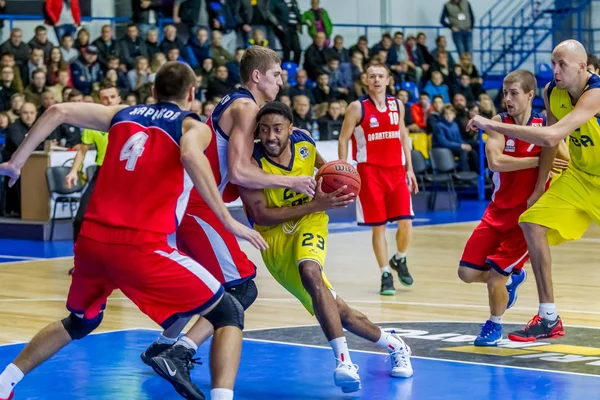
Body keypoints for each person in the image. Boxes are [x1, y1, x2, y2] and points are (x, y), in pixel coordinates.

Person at [0, 62, 268, 400]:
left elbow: (57, 110)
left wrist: (17, 162)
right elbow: (189, 155)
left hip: (91, 243)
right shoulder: (193, 125)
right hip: (141, 246)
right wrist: (227, 218)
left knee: (79, 322)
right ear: (191, 94)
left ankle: (4, 382)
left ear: (153, 91)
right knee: (229, 309)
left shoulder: (121, 115)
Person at [140, 46, 316, 362]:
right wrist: (293, 181)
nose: (280, 82)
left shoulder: (235, 102)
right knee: (242, 289)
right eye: (276, 75)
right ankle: (180, 352)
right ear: (257, 76)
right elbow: (238, 170)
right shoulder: (247, 108)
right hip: (199, 206)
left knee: (204, 287)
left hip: (191, 205)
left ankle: (163, 345)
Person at [239, 102, 413, 394]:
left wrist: (340, 187)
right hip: (274, 239)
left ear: (290, 130)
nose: (271, 136)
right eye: (265, 129)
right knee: (339, 310)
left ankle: (343, 361)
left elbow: (327, 170)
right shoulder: (251, 162)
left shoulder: (304, 142)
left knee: (310, 270)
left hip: (311, 220)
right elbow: (260, 215)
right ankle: (395, 343)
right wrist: (316, 202)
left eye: (278, 129)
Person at [467, 40, 600, 342]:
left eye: (562, 64)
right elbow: (550, 145)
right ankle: (549, 317)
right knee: (531, 221)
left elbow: (552, 133)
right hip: (581, 178)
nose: (554, 70)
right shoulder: (553, 92)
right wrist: (539, 188)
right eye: (553, 63)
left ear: (582, 67)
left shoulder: (596, 93)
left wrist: (492, 124)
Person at [458, 69, 570, 346]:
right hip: (496, 212)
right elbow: (496, 162)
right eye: (505, 93)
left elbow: (564, 160)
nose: (507, 98)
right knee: (466, 274)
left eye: (514, 93)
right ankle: (514, 278)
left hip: (526, 218)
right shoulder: (498, 122)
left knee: (496, 277)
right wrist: (538, 161)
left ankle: (494, 326)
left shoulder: (544, 125)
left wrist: (549, 156)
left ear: (530, 95)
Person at [338, 64, 419, 296]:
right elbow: (344, 138)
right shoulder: (356, 107)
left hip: (396, 172)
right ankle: (385, 274)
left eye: (380, 76)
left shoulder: (397, 105)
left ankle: (399, 258)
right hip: (369, 173)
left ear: (388, 80)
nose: (376, 80)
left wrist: (409, 168)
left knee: (406, 223)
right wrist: (343, 168)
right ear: (366, 80)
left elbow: (404, 134)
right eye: (372, 76)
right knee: (379, 228)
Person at [64, 81, 121, 275]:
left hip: (125, 175)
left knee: (119, 222)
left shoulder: (131, 120)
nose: (108, 100)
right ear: (99, 100)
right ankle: (80, 262)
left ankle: (119, 264)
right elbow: (83, 150)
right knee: (81, 218)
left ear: (119, 99)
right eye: (104, 97)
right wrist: (73, 171)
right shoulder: (93, 123)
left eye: (112, 97)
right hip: (101, 173)